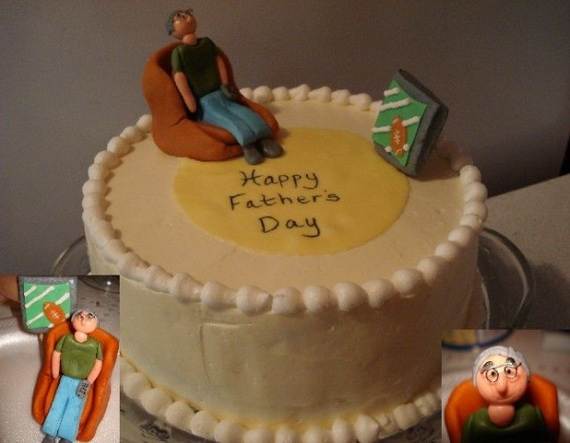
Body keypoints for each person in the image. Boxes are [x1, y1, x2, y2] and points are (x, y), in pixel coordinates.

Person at [166, 8, 283, 165]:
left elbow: (219, 61)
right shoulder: (179, 53)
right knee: (227, 119)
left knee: (243, 112)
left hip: (221, 93)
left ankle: (264, 138)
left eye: (187, 14)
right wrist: (190, 101)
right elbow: (179, 76)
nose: (187, 17)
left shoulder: (207, 43)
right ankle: (248, 145)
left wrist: (225, 84)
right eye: (180, 17)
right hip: (205, 102)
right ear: (173, 31)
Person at [461, 345, 552, 443]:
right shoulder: (474, 424)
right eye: (492, 374)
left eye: (509, 371)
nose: (502, 387)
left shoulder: (534, 419)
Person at [41, 310, 103, 443]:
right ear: (73, 319)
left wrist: (89, 381)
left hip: (82, 382)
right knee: (58, 405)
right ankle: (50, 434)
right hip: (65, 379)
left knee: (74, 409)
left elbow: (98, 364)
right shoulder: (66, 338)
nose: (83, 319)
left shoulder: (95, 345)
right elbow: (56, 354)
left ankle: (66, 437)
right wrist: (55, 371)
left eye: (89, 317)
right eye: (80, 316)